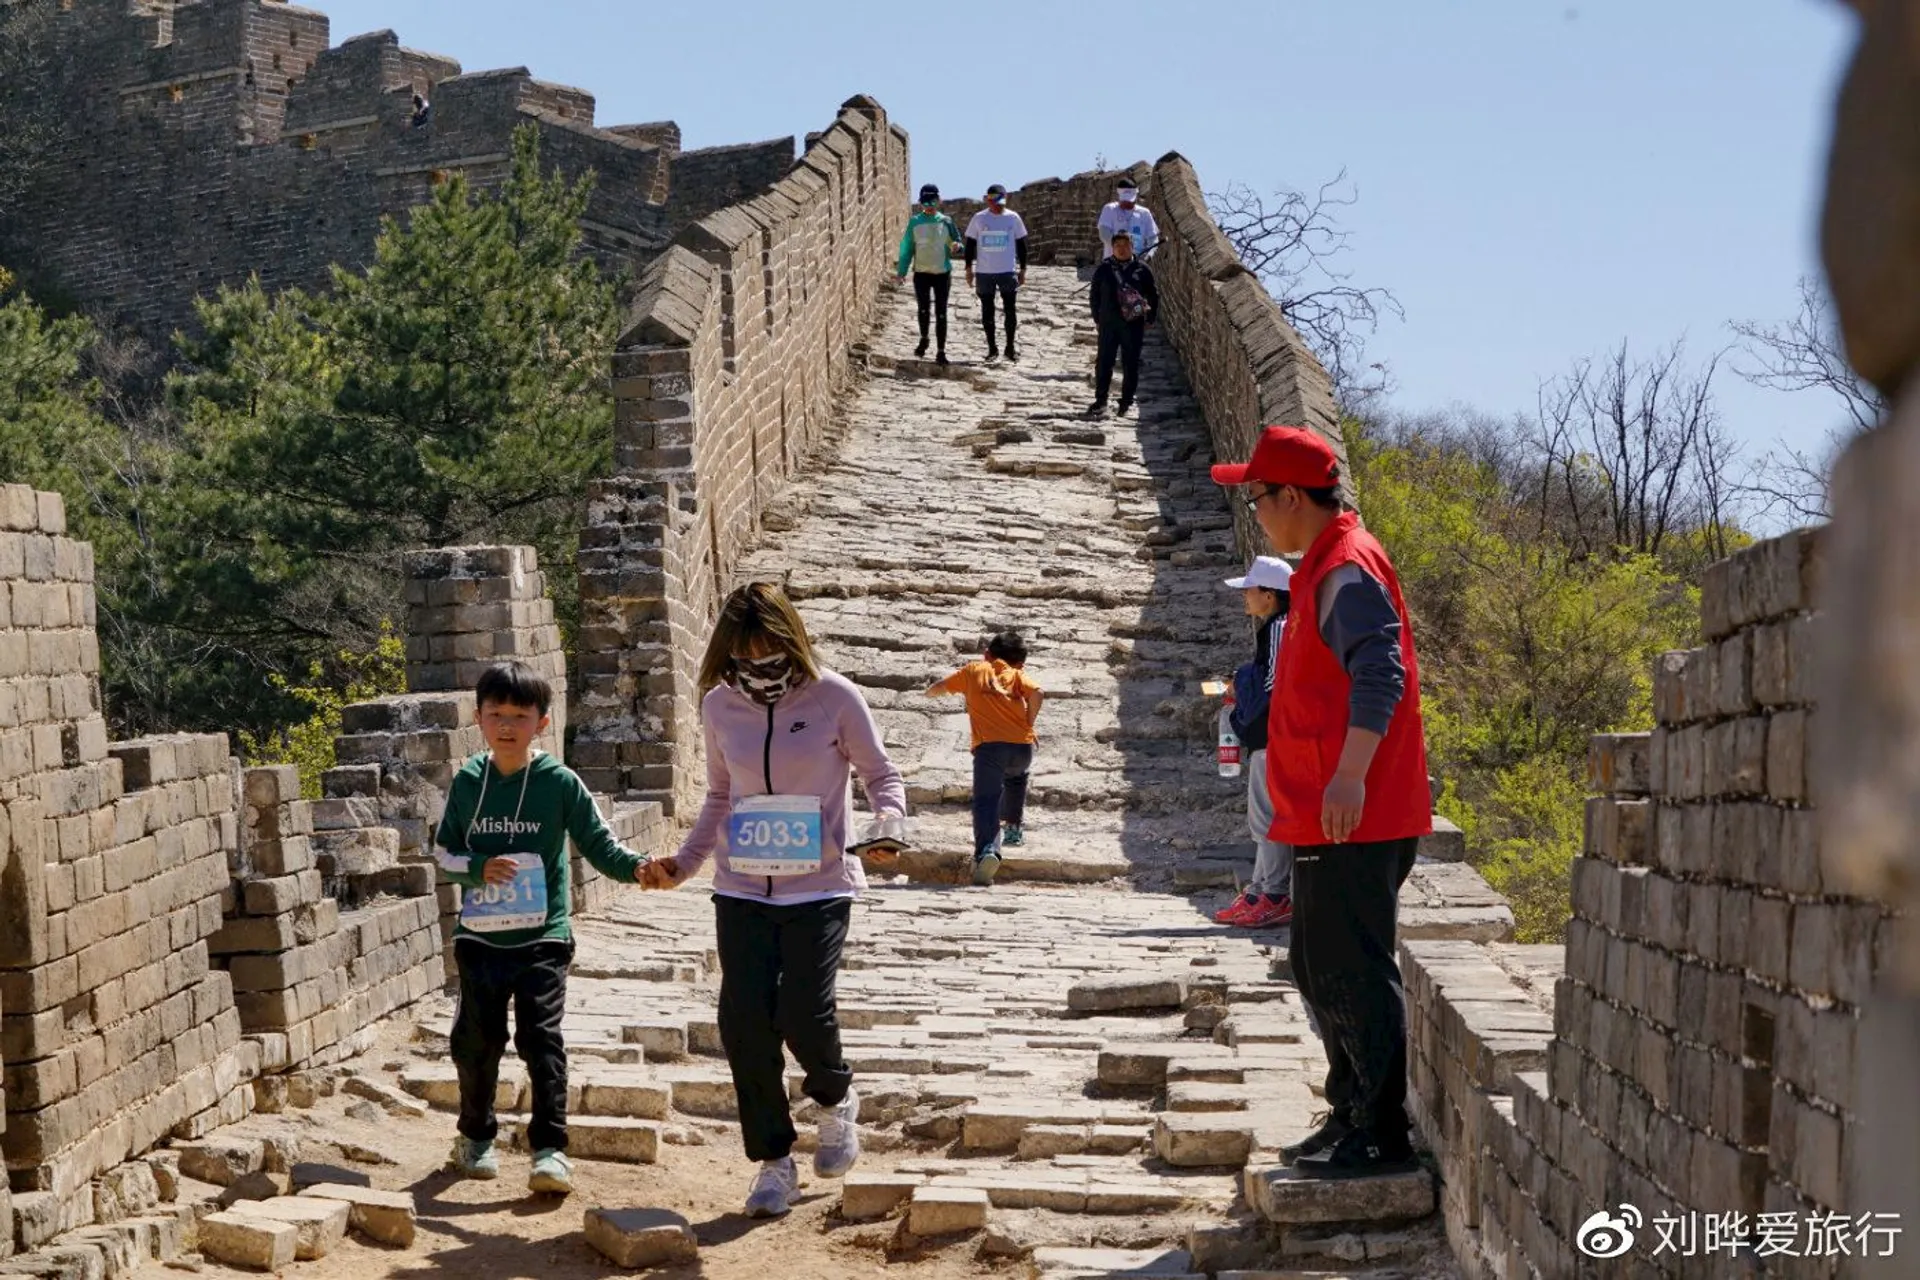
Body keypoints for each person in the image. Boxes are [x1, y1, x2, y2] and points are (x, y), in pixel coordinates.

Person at [636, 583, 908, 1218]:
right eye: (744, 649)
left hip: (819, 886)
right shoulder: (718, 705)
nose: (757, 661)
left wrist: (886, 827)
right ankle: (774, 1161)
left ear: (790, 639)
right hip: (740, 888)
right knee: (743, 1024)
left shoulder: (834, 696)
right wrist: (684, 864)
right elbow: (719, 796)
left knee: (802, 1011)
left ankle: (837, 1100)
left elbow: (881, 775)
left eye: (769, 647)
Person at [1210, 425, 1431, 1180]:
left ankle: (1381, 1131)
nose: (1257, 514)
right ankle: (1348, 1112)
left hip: (1355, 811)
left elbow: (1382, 672)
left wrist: (1350, 775)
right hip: (1324, 810)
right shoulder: (1320, 568)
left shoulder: (1346, 567)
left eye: (1258, 498)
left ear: (1292, 496)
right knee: (1315, 961)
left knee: (1356, 966)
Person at [433, 661, 658, 1197]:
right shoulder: (469, 781)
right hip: (480, 939)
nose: (507, 725)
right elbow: (443, 853)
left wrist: (641, 869)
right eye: (496, 715)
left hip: (543, 938)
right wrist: (476, 868)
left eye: (520, 715)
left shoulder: (559, 783)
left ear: (542, 721)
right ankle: (476, 1138)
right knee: (475, 1042)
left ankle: (550, 1150)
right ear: (478, 718)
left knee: (541, 1039)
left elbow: (600, 845)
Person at [1213, 556, 1295, 929]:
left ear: (1269, 594)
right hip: (1271, 737)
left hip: (1275, 736)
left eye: (1250, 589)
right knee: (1262, 818)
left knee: (1269, 819)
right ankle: (1259, 890)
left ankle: (1274, 894)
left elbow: (1275, 686)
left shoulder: (1280, 628)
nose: (1245, 596)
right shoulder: (1275, 626)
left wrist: (1241, 685)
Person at [925, 631, 1044, 887]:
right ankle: (1013, 828)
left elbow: (940, 688)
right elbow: (1037, 694)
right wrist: (1029, 724)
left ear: (987, 655)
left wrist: (929, 693)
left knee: (986, 801)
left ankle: (987, 851)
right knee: (1017, 777)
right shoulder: (1017, 675)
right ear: (1019, 663)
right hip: (1022, 748)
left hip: (990, 749)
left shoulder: (973, 671)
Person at [1086, 229, 1159, 419]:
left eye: (1125, 245)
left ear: (1132, 246)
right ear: (1112, 248)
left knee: (1130, 363)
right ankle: (1101, 400)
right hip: (1109, 324)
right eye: (1117, 245)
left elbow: (1153, 294)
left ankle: (1126, 401)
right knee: (1104, 362)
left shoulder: (1142, 270)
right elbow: (1094, 295)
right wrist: (1097, 317)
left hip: (1133, 325)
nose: (1121, 249)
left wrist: (1150, 318)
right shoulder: (1104, 269)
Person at [896, 184, 963, 363]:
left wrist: (957, 246)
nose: (929, 205)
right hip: (922, 273)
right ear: (920, 203)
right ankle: (924, 338)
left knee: (941, 312)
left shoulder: (946, 221)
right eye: (925, 202)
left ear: (939, 201)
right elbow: (907, 248)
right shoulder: (915, 222)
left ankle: (941, 351)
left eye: (932, 201)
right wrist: (901, 271)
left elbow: (957, 241)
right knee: (923, 309)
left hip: (942, 274)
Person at [964, 184, 1029, 362]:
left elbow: (1022, 244)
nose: (997, 204)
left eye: (1000, 199)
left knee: (1010, 310)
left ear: (1005, 198)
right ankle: (992, 348)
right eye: (993, 200)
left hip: (1007, 271)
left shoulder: (1013, 218)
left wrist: (1023, 269)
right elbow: (970, 244)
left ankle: (1010, 347)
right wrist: (968, 269)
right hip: (985, 272)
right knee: (987, 311)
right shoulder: (979, 218)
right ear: (987, 199)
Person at [1097, 181, 1159, 260]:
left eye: (1130, 201)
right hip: (1112, 261)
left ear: (1136, 197)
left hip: (1136, 261)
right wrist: (1122, 248)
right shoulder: (1110, 209)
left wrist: (1149, 254)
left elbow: (1153, 238)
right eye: (1124, 200)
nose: (1127, 203)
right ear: (1119, 196)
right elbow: (1104, 234)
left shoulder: (1144, 213)